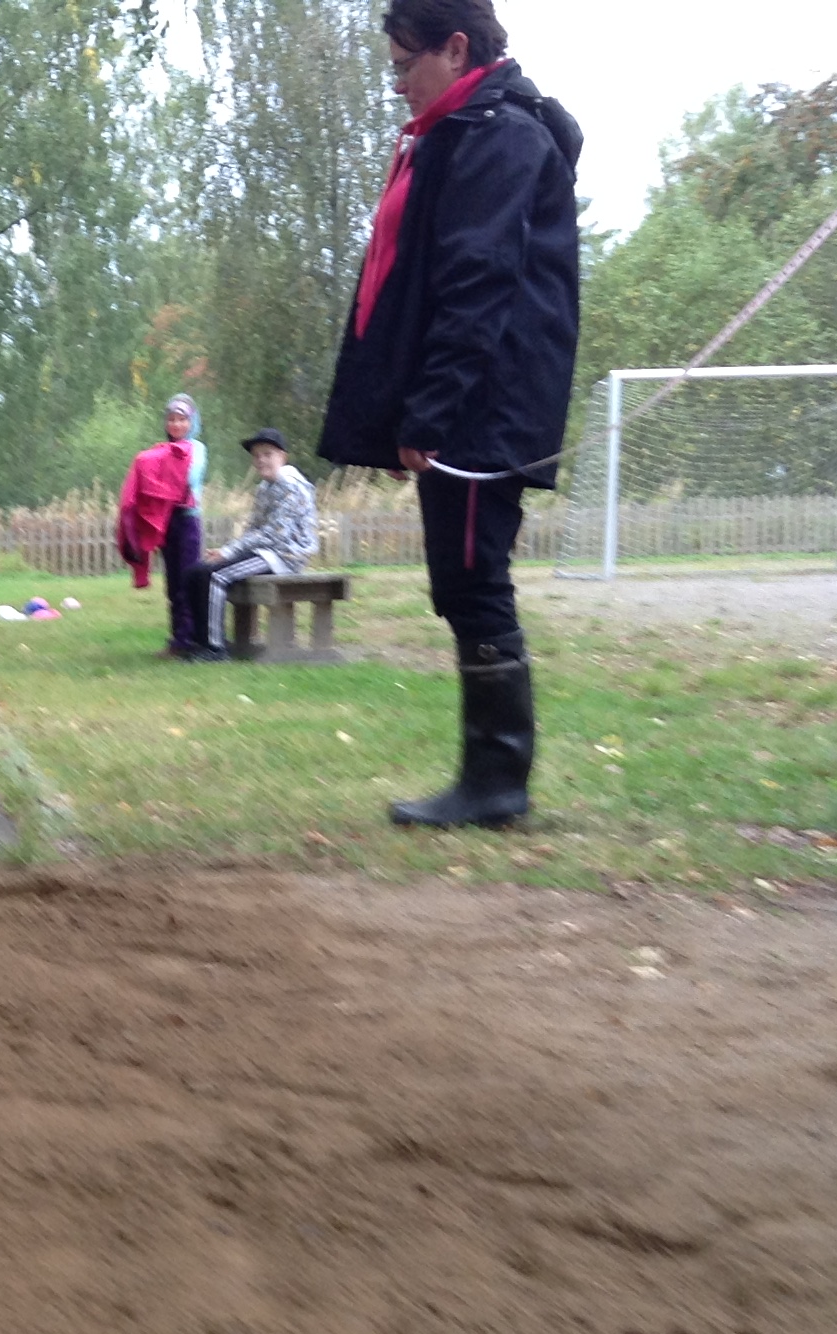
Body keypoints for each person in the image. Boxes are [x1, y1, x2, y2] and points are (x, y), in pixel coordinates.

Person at [318, 0, 580, 828]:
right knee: (466, 578)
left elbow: (477, 284)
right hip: (476, 402)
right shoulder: (466, 133)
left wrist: (429, 415)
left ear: (456, 48)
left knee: (473, 579)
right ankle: (492, 777)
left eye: (406, 66)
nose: (398, 86)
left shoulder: (499, 138)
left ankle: (496, 781)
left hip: (483, 408)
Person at [175, 430, 318, 661]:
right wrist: (227, 551)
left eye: (267, 454)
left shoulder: (291, 486)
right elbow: (254, 528)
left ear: (282, 457)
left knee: (215, 576)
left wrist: (230, 552)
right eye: (257, 455)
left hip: (286, 556)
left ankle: (215, 649)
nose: (261, 460)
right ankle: (199, 642)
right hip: (264, 552)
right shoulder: (265, 488)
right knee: (195, 572)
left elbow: (274, 534)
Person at [116, 395, 208, 656]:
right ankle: (178, 638)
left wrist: (165, 463)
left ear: (192, 422)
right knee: (173, 581)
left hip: (187, 520)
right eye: (171, 419)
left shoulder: (197, 449)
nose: (176, 424)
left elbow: (189, 477)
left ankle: (192, 639)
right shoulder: (161, 452)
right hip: (166, 520)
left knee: (188, 578)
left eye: (182, 419)